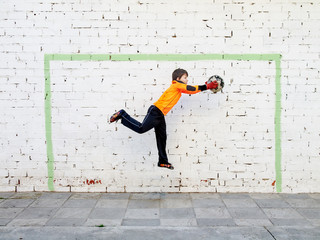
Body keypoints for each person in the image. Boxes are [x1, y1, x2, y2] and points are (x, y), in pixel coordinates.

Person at [109, 68, 219, 170]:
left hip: (160, 115)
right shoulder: (176, 85)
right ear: (178, 79)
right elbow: (190, 88)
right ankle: (122, 114)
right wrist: (207, 86)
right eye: (185, 77)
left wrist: (205, 86)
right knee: (141, 129)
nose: (187, 79)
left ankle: (162, 161)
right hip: (155, 111)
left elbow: (191, 91)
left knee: (162, 138)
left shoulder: (179, 89)